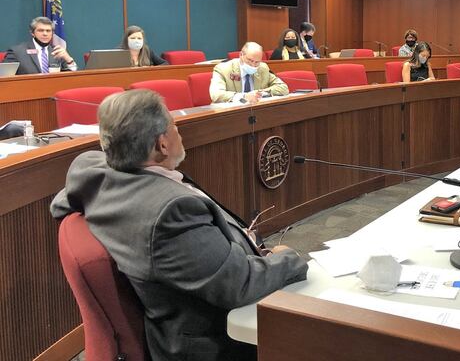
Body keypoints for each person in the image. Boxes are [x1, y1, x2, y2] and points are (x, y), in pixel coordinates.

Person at [50, 89, 308, 360]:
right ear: (162, 144)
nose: (179, 132)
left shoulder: (93, 173)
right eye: (175, 126)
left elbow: (61, 202)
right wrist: (290, 259)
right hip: (214, 342)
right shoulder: (169, 214)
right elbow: (238, 284)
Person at [209, 42, 288, 103]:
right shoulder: (223, 69)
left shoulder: (262, 68)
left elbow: (283, 88)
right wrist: (244, 96)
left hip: (255, 112)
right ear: (241, 55)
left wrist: (260, 93)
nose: (253, 65)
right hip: (228, 114)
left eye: (257, 62)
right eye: (250, 60)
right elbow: (216, 95)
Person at [5, 16, 78, 74]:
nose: (45, 34)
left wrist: (69, 60)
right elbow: (4, 76)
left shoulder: (57, 51)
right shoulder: (17, 52)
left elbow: (72, 76)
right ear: (32, 33)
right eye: (40, 30)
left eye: (48, 31)